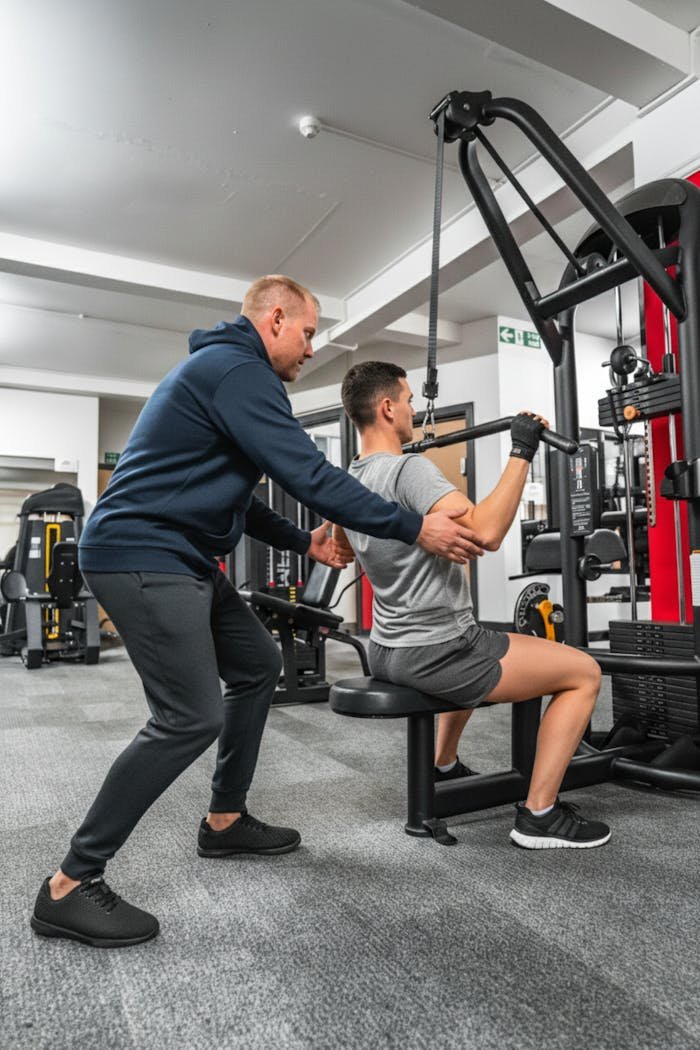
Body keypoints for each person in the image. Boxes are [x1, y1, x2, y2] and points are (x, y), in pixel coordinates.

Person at [31, 277, 486, 949]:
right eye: (307, 333)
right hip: (141, 553)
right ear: (275, 319)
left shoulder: (231, 376)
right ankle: (69, 884)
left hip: (183, 556)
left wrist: (305, 542)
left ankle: (224, 819)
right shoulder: (235, 371)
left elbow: (244, 497)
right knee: (188, 717)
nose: (310, 349)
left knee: (256, 664)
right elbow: (308, 475)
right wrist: (413, 527)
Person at [335, 360, 610, 850]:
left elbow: (337, 545)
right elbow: (485, 531)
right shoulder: (408, 470)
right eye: (410, 399)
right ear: (387, 407)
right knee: (584, 672)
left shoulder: (347, 480)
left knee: (493, 635)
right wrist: (521, 452)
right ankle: (540, 815)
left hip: (385, 647)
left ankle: (443, 766)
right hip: (439, 650)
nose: (415, 409)